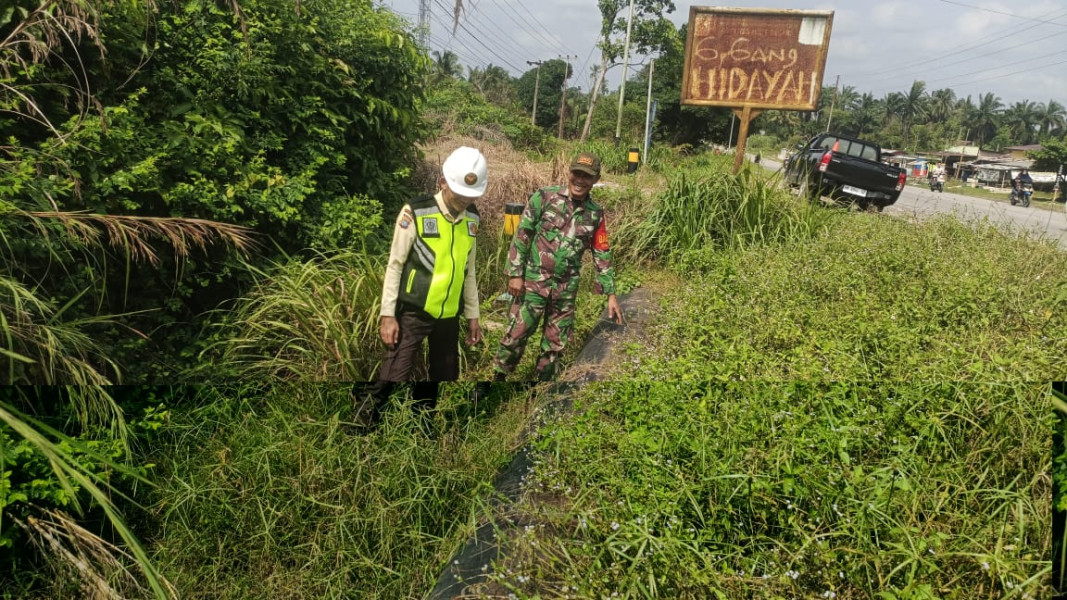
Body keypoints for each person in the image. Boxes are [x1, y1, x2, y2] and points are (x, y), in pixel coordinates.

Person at [354, 146, 487, 428]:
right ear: (442, 183)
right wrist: (387, 315)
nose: (465, 200)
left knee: (442, 374)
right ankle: (363, 424)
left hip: (449, 316)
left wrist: (473, 316)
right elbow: (395, 265)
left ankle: (421, 425)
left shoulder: (472, 220)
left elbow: (469, 271)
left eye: (471, 196)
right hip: (414, 311)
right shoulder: (415, 212)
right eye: (460, 193)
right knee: (394, 373)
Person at [491, 151, 623, 382]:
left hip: (565, 290)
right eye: (576, 173)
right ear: (569, 173)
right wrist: (515, 274)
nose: (580, 180)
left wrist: (610, 294)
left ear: (595, 179)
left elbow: (601, 253)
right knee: (516, 334)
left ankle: (539, 391)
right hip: (533, 284)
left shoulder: (595, 213)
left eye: (587, 176)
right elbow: (522, 236)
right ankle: (495, 380)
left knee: (554, 345)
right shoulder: (544, 197)